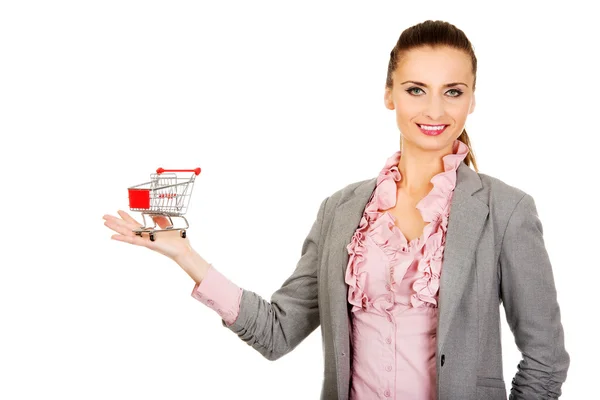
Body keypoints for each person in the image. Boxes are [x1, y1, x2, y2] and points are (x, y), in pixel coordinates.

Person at [103, 20, 569, 400]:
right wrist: (186, 255)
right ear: (389, 95)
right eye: (415, 89)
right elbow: (277, 332)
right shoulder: (341, 211)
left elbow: (545, 361)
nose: (434, 109)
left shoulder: (506, 211)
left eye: (452, 91)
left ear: (471, 98)